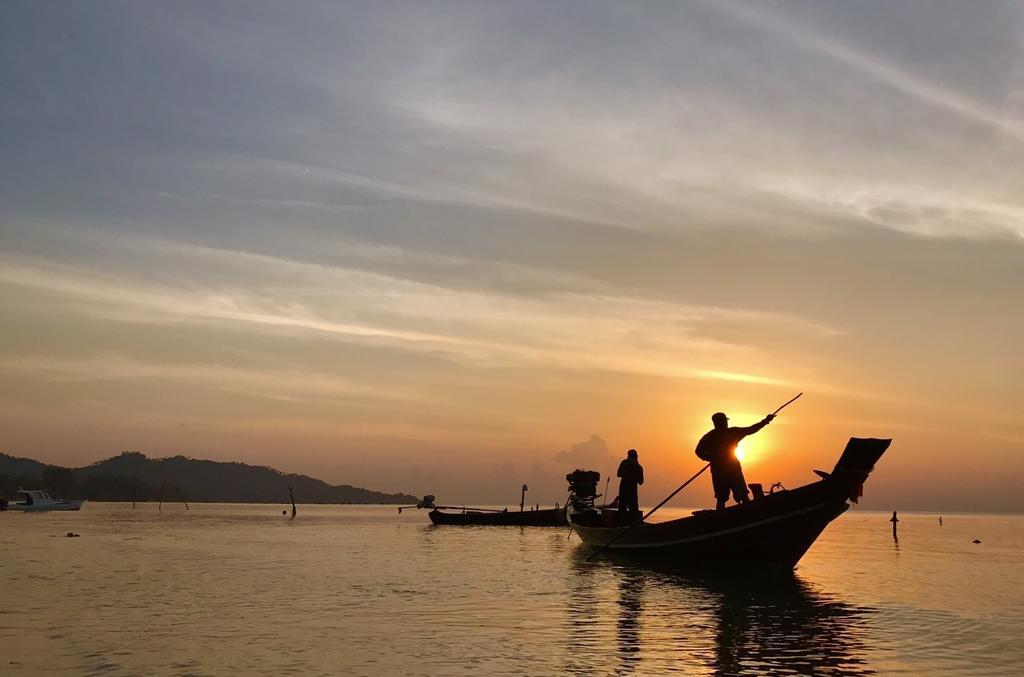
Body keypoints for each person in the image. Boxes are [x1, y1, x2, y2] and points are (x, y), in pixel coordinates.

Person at [695, 411, 774, 510]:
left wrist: (765, 421)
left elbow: (751, 430)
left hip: (721, 469)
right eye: (724, 421)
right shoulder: (729, 433)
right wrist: (711, 458)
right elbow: (750, 430)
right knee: (730, 497)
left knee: (725, 497)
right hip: (729, 469)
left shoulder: (711, 436)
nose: (726, 423)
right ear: (720, 422)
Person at [616, 449, 644, 515]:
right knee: (629, 509)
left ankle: (627, 523)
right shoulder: (638, 467)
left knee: (626, 509)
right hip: (628, 492)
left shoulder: (637, 467)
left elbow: (619, 474)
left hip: (629, 492)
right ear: (636, 456)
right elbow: (641, 482)